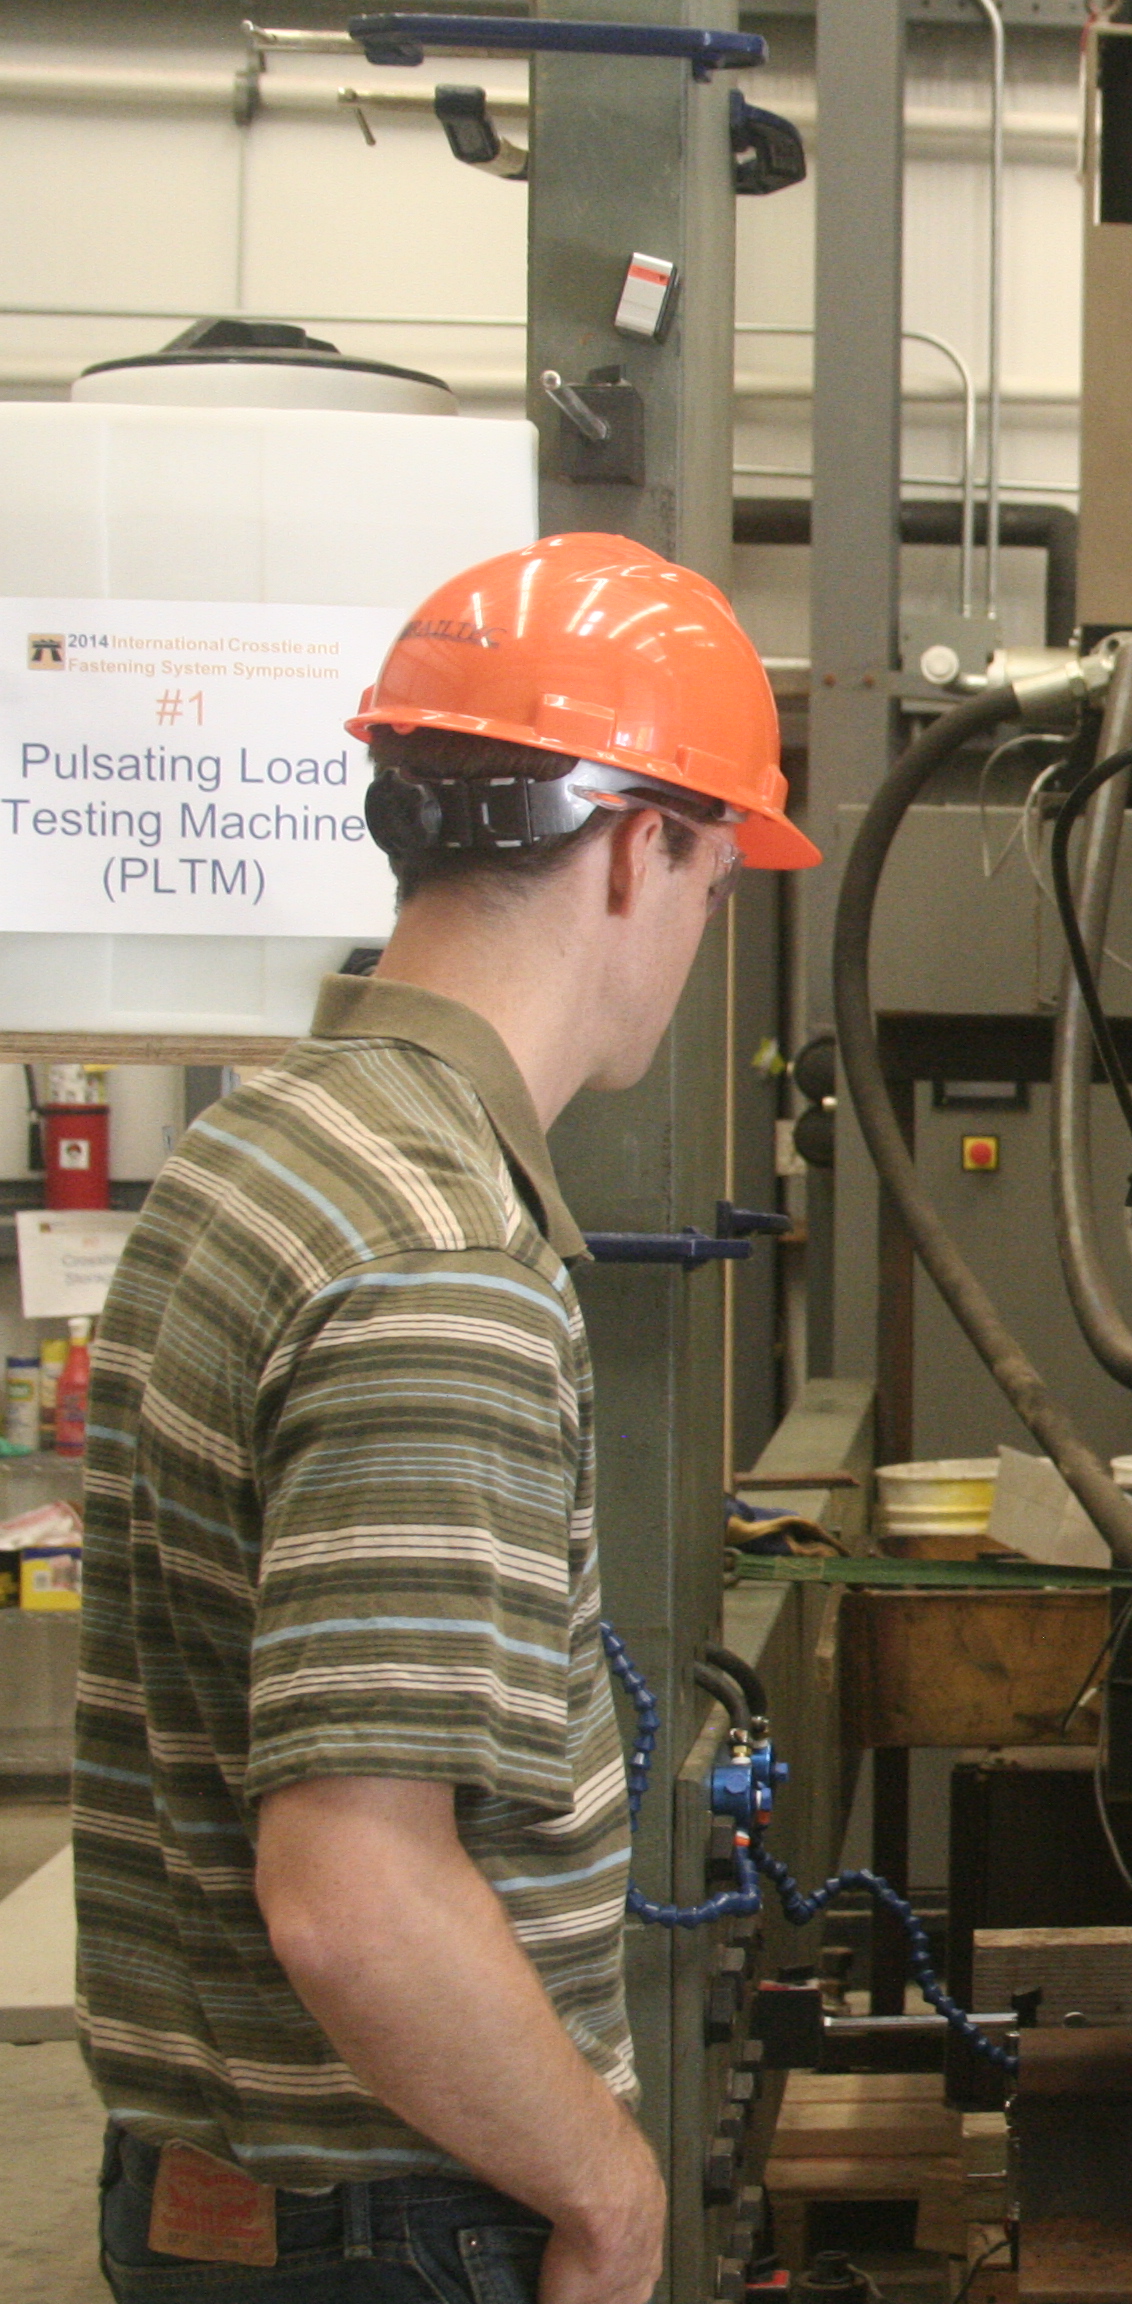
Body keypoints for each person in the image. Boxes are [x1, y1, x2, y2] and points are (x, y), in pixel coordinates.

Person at [71, 533, 817, 2304]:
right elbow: (355, 1893)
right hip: (395, 2226)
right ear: (645, 850)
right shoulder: (438, 1254)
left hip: (222, 2194)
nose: (701, 939)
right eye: (718, 889)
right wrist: (614, 2200)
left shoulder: (259, 1148)